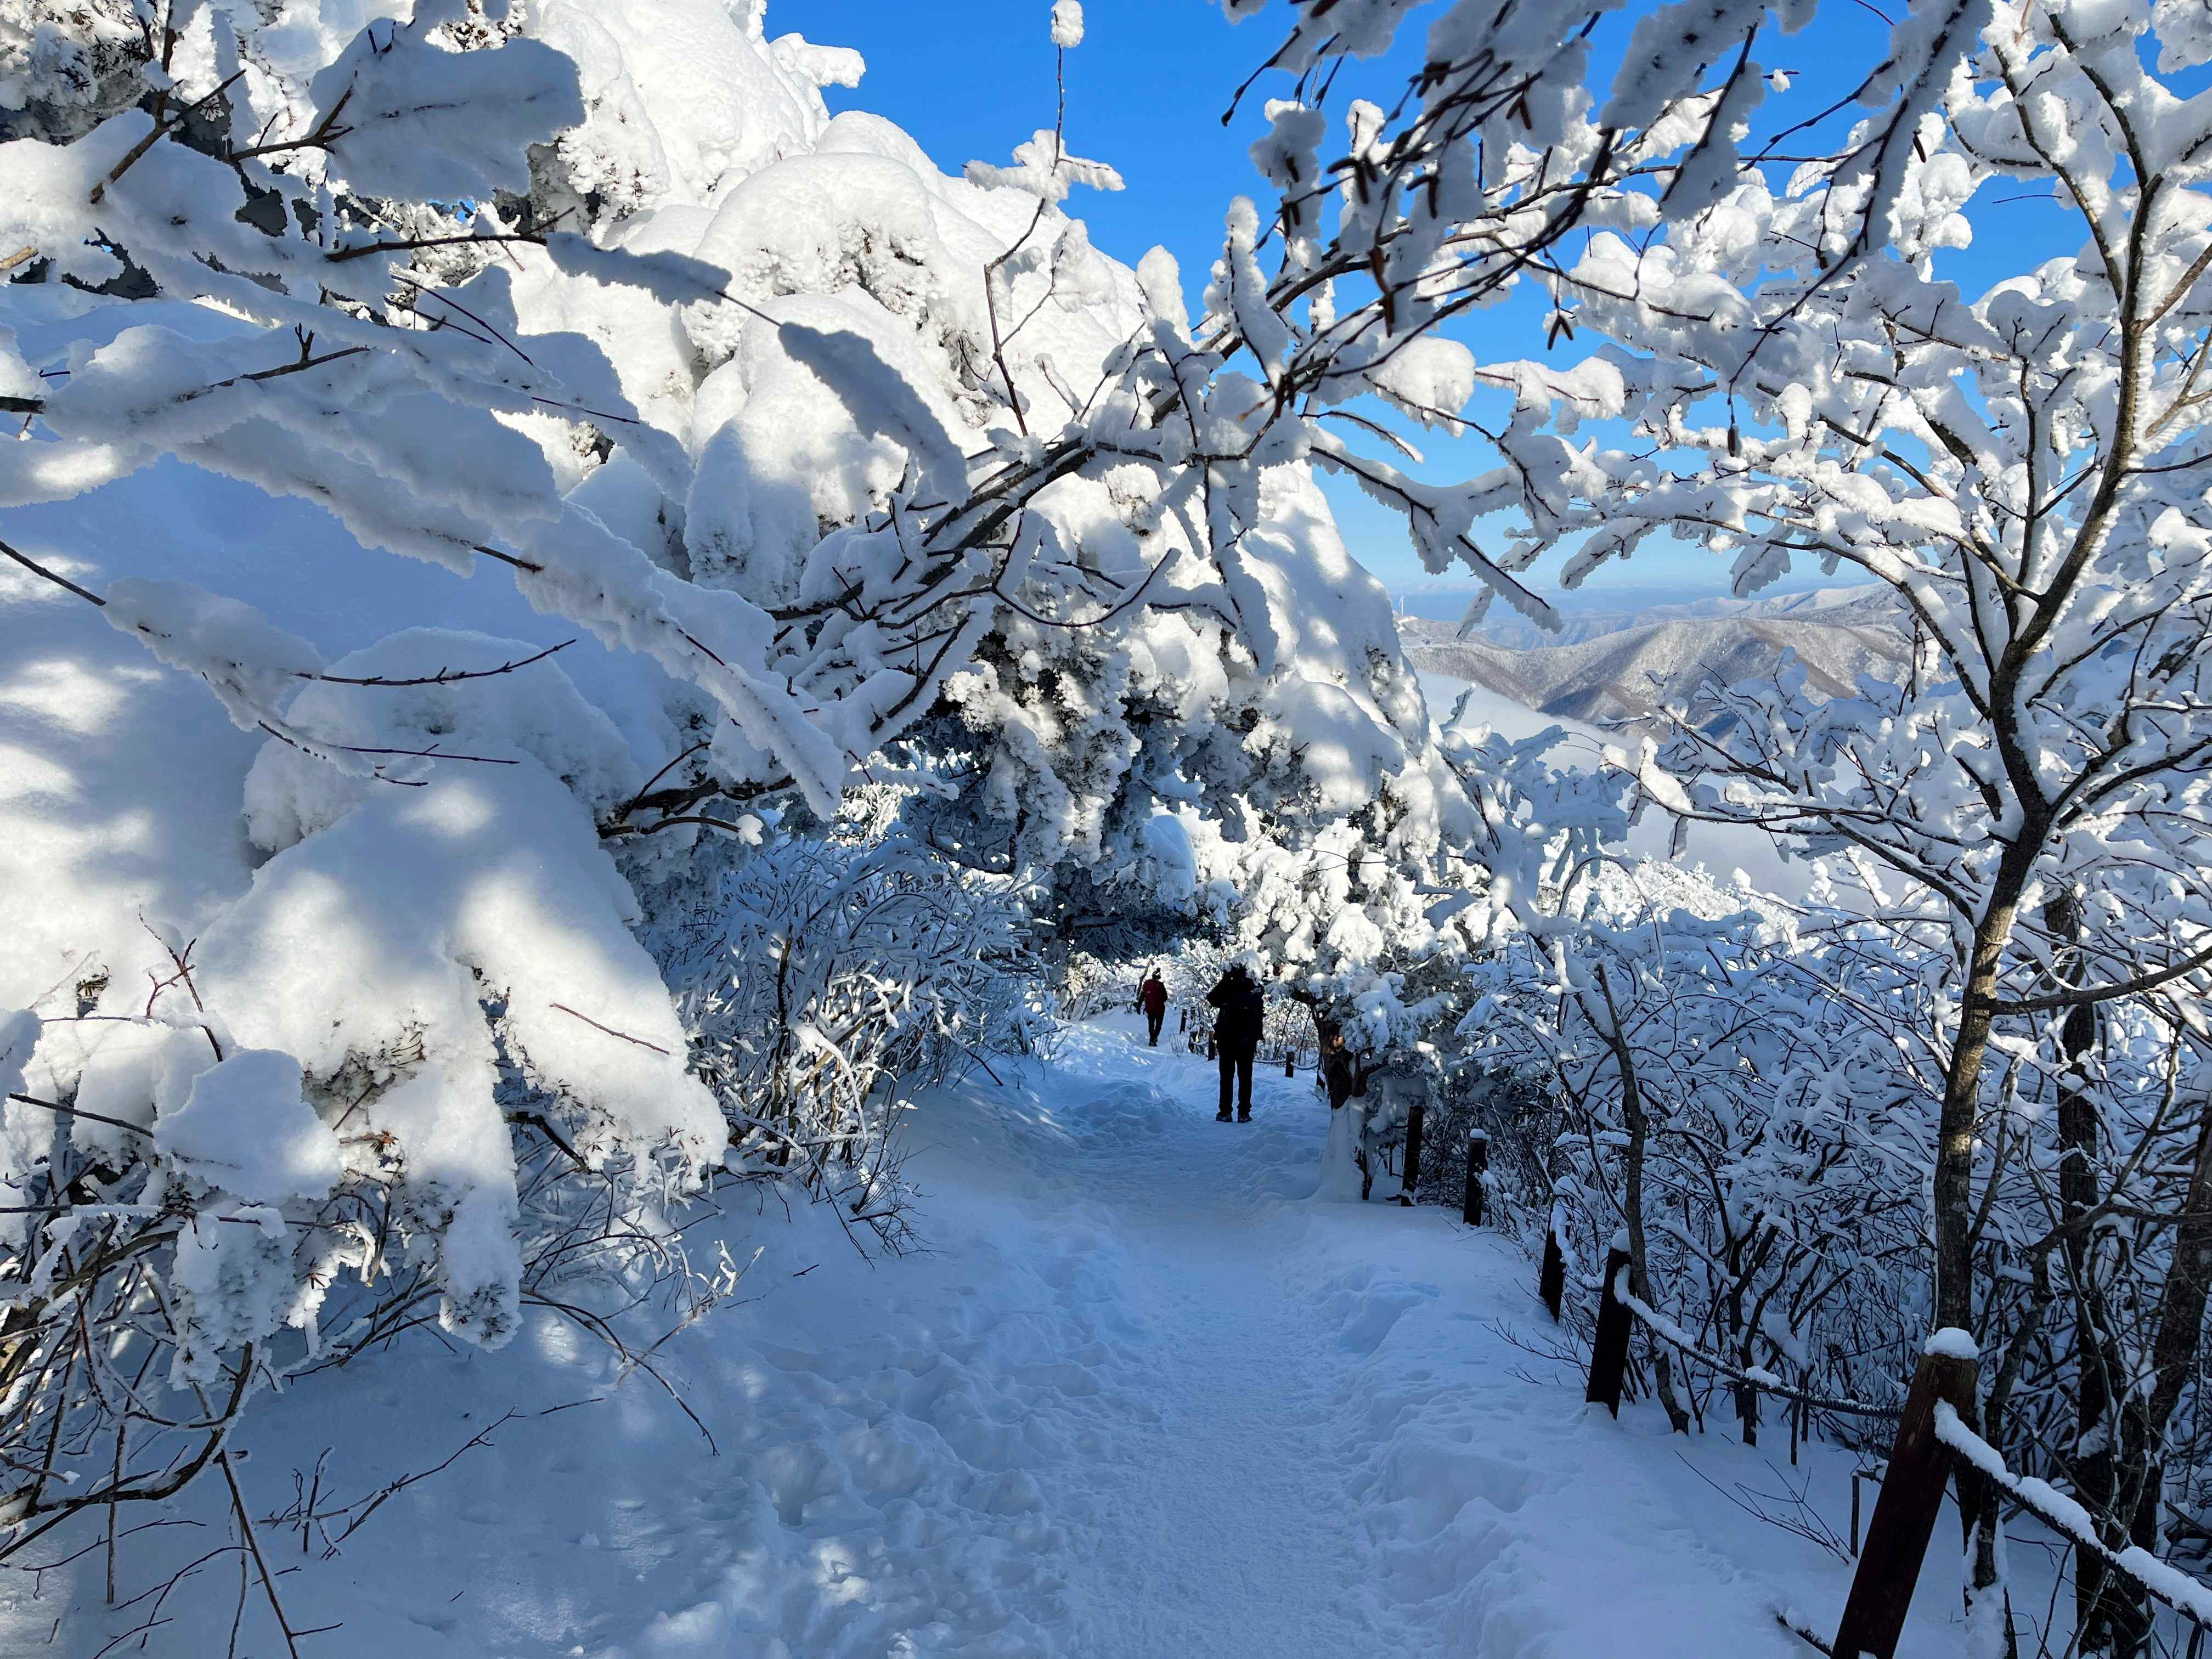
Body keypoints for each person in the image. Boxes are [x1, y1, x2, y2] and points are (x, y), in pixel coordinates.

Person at [1205, 962, 1264, 1122]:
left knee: (1227, 1077)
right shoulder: (1255, 988)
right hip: (1247, 1039)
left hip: (1228, 1039)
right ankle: (1243, 1112)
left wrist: (1226, 979)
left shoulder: (1229, 988)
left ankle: (1226, 1111)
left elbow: (1212, 998)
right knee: (1245, 1077)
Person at [1139, 968, 1168, 1047]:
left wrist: (1139, 1006)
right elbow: (1165, 998)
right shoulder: (1161, 985)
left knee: (1151, 1025)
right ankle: (1153, 1039)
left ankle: (1152, 1039)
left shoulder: (1147, 984)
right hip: (1160, 1009)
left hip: (1150, 1009)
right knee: (1158, 1026)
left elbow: (1142, 996)